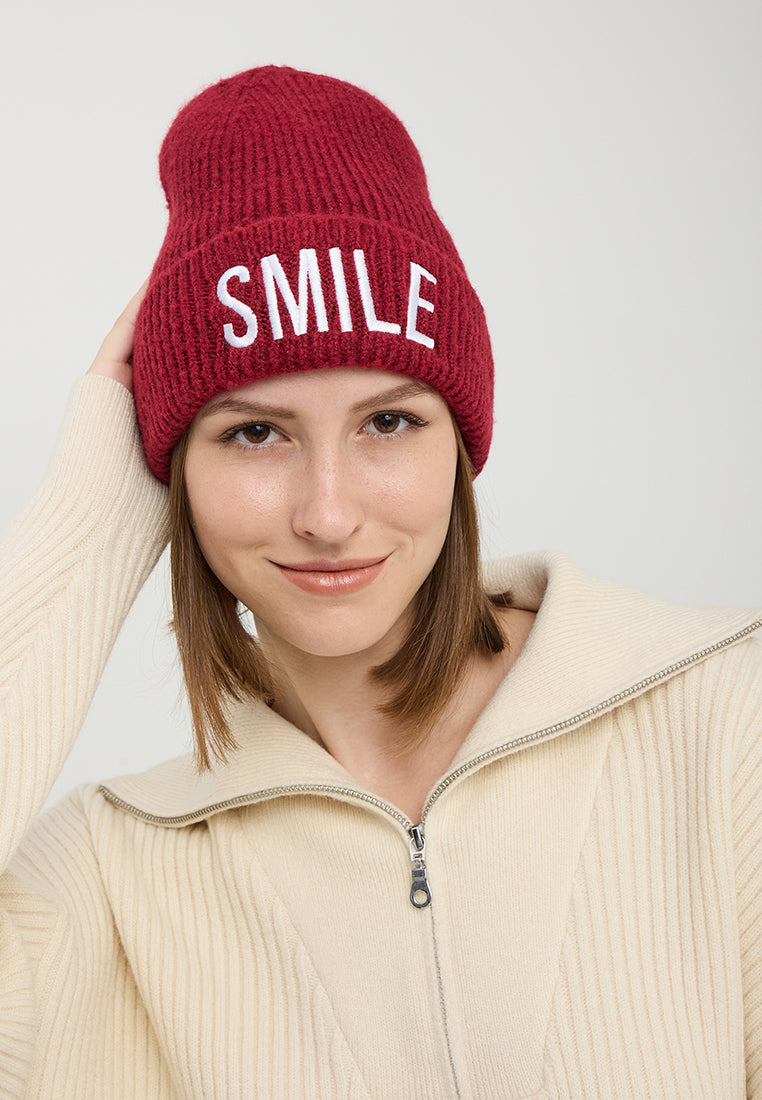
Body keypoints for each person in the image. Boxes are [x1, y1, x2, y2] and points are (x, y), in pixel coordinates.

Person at [0, 65, 760, 1100]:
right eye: (254, 431)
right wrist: (88, 524)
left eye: (389, 421)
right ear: (172, 467)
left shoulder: (728, 713)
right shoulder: (98, 875)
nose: (327, 511)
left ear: (462, 438)